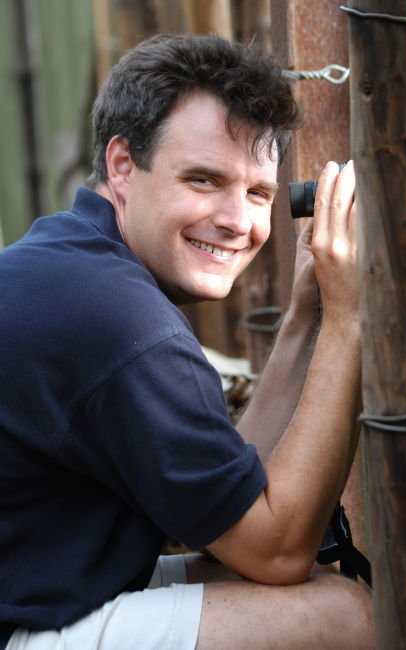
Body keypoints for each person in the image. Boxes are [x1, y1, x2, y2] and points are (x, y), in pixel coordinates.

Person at [0, 33, 373, 650]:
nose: (237, 220)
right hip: (21, 624)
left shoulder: (73, 260)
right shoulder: (120, 320)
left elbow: (230, 505)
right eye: (203, 180)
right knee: (340, 616)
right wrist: (353, 320)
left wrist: (309, 312)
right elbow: (276, 549)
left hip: (40, 582)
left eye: (258, 194)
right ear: (123, 165)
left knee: (253, 571)